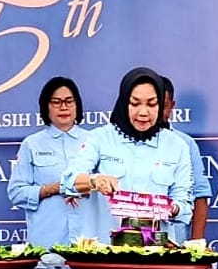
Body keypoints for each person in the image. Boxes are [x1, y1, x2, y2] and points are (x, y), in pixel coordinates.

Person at [60, 67, 192, 234]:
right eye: (135, 104)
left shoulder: (177, 145)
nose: (143, 112)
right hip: (106, 246)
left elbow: (185, 204)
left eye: (152, 104)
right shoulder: (100, 138)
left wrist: (171, 208)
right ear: (123, 103)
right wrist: (95, 181)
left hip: (155, 247)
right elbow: (69, 180)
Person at [6, 77, 105, 246]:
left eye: (69, 101)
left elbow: (109, 186)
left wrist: (84, 186)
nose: (63, 107)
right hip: (47, 242)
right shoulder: (31, 144)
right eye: (56, 102)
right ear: (46, 107)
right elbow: (16, 193)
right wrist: (50, 189)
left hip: (89, 241)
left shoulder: (95, 141)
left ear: (77, 105)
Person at [160, 76, 212, 242]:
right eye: (152, 104)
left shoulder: (185, 143)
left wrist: (196, 243)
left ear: (172, 105)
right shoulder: (120, 142)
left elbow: (200, 195)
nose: (156, 112)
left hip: (174, 240)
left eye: (163, 106)